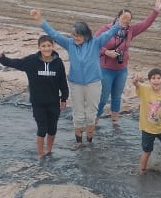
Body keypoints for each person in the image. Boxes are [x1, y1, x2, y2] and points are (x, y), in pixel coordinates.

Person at [33, 8, 120, 146]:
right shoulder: (69, 44)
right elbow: (53, 34)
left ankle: (90, 142)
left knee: (91, 114)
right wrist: (39, 19)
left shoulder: (96, 42)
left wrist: (119, 23)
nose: (75, 38)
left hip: (93, 83)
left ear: (85, 35)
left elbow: (110, 33)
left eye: (78, 35)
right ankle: (79, 143)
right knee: (78, 115)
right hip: (76, 84)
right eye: (73, 35)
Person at [0, 35, 68, 158]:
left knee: (52, 129)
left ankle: (49, 151)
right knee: (42, 129)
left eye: (49, 46)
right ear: (39, 48)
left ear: (53, 47)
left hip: (54, 102)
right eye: (43, 46)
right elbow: (14, 63)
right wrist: (0, 57)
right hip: (38, 103)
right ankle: (40, 155)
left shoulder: (58, 62)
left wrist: (64, 98)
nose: (46, 48)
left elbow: (63, 82)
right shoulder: (31, 61)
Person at [96, 0, 161, 128]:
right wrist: (106, 52)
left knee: (117, 96)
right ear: (117, 17)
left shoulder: (130, 30)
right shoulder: (105, 29)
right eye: (123, 20)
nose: (125, 24)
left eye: (128, 21)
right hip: (105, 69)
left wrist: (155, 11)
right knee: (103, 97)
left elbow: (145, 24)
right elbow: (93, 44)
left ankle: (115, 122)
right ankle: (95, 121)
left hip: (121, 70)